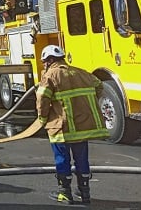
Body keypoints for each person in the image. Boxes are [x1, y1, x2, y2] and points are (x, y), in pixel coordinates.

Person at [36, 44, 109, 204]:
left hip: (61, 127)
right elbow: (99, 86)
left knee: (62, 159)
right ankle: (85, 193)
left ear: (49, 60)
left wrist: (42, 120)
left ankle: (64, 193)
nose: (44, 65)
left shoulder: (50, 76)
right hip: (82, 127)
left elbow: (42, 100)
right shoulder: (81, 72)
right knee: (82, 159)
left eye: (44, 62)